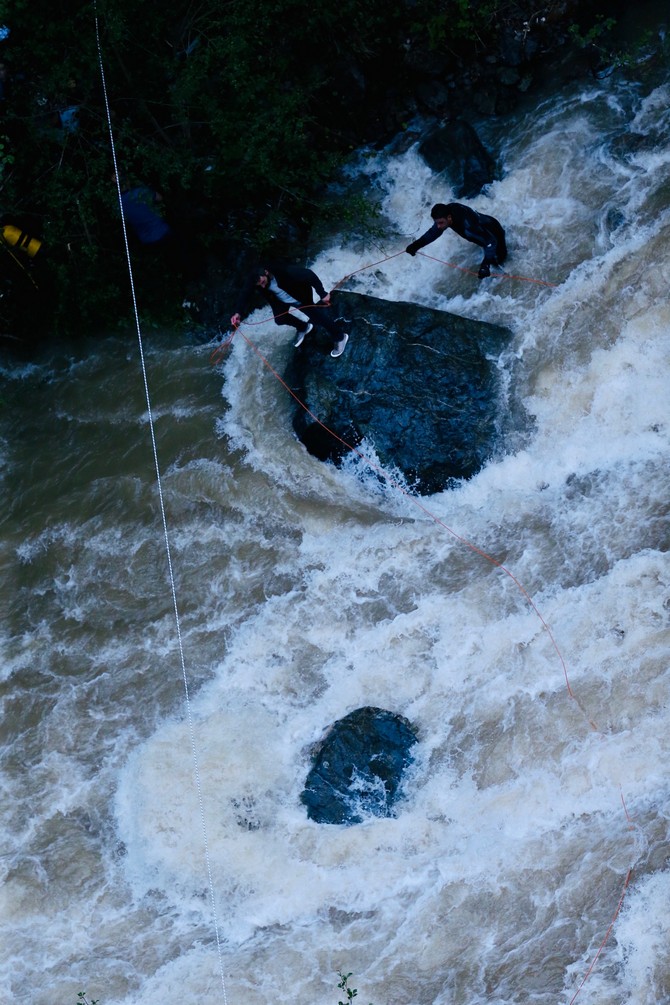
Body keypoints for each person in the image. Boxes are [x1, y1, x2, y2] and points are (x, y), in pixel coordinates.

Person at [230, 261, 349, 358]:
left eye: (263, 282)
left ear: (266, 273)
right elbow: (245, 294)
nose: (262, 286)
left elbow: (309, 274)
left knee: (316, 317)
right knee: (280, 318)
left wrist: (322, 293)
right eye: (259, 285)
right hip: (280, 299)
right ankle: (304, 327)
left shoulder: (284, 270)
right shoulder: (254, 279)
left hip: (300, 294)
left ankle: (340, 336)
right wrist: (238, 313)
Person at [405, 202, 507, 279]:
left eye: (440, 223)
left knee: (499, 261)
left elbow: (490, 242)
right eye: (436, 223)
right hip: (483, 228)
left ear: (449, 218)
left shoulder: (468, 226)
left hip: (494, 232)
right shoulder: (447, 213)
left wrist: (485, 265)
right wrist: (415, 246)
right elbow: (433, 233)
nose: (438, 226)